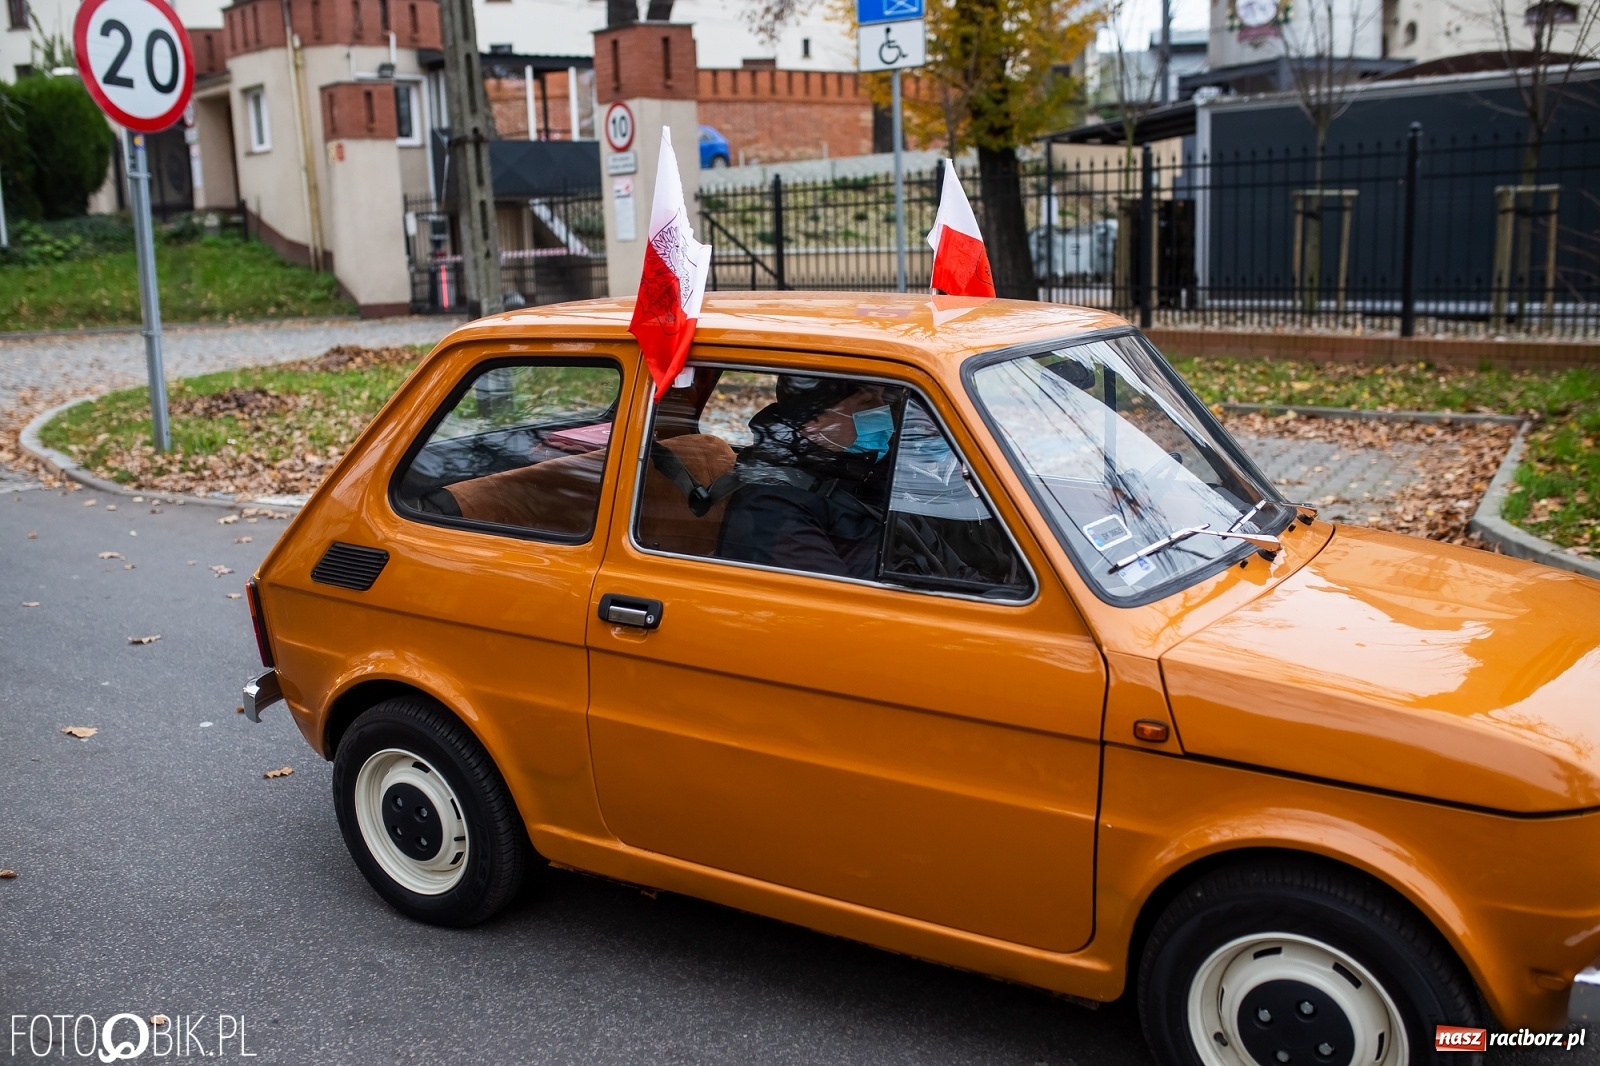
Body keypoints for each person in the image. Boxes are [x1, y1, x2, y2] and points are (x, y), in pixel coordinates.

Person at [716, 376, 899, 579]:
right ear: (812, 423)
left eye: (883, 399)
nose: (883, 411)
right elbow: (832, 594)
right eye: (867, 403)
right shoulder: (771, 509)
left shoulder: (852, 470)